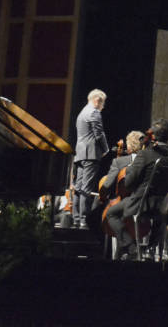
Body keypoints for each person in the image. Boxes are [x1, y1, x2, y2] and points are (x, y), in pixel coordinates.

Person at [103, 119, 168, 259]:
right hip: (165, 206)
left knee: (111, 213)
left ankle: (131, 246)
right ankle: (151, 246)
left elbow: (129, 183)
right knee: (159, 216)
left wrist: (130, 170)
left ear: (152, 136)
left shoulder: (145, 154)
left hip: (142, 204)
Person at [74, 89, 109, 230]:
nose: (103, 106)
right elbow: (99, 134)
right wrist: (105, 149)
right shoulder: (94, 112)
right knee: (86, 188)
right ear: (97, 100)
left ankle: (76, 219)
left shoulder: (82, 112)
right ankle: (84, 220)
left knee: (78, 187)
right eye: (103, 103)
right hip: (91, 154)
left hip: (80, 153)